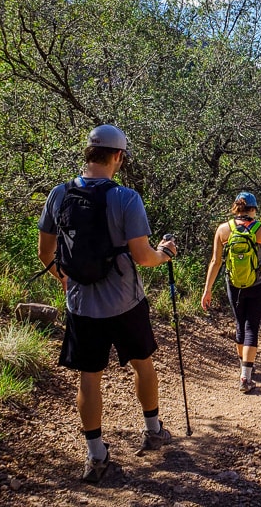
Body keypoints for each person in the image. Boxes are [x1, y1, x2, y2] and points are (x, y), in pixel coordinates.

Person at [37, 124, 178, 484]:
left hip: (81, 305)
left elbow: (45, 251)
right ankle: (153, 430)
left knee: (89, 378)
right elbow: (143, 257)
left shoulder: (59, 194)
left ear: (88, 153)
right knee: (142, 365)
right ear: (118, 156)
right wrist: (164, 254)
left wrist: (65, 279)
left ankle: (96, 456)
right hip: (126, 302)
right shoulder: (126, 198)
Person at [201, 191, 261, 393]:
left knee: (240, 324)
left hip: (233, 284)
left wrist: (207, 289)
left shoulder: (224, 230)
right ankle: (246, 376)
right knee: (252, 325)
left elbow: (216, 262)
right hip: (258, 284)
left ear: (236, 208)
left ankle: (244, 367)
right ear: (253, 209)